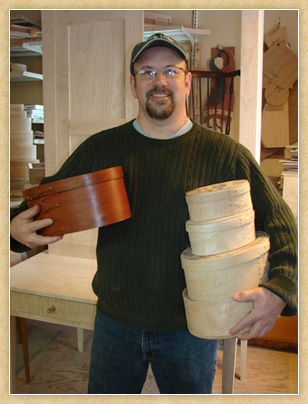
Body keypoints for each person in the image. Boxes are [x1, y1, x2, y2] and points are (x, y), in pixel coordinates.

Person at [10, 33, 298, 394]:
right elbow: (42, 203)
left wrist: (281, 289)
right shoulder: (103, 147)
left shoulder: (223, 153)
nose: (159, 81)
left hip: (191, 331)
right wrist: (14, 228)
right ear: (133, 85)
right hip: (116, 326)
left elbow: (281, 220)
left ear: (187, 81)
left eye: (170, 71)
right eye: (147, 71)